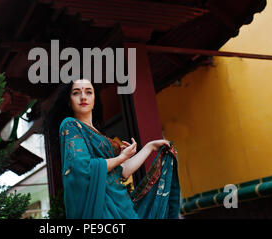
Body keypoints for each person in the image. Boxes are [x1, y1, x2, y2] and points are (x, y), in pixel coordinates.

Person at [43, 79, 181, 219]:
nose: (83, 97)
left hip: (122, 205)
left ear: (95, 98)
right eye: (76, 93)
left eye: (89, 92)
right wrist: (120, 157)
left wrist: (149, 147)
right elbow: (82, 168)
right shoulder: (70, 125)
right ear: (69, 100)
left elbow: (123, 171)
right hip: (100, 210)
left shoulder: (98, 134)